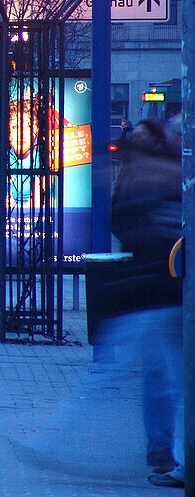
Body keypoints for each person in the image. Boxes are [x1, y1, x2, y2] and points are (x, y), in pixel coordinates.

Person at [108, 118, 184, 487]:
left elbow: (120, 222)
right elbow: (120, 221)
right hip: (159, 287)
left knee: (158, 376)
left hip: (158, 288)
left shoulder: (153, 172)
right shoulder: (156, 174)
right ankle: (164, 454)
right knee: (160, 374)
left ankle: (168, 454)